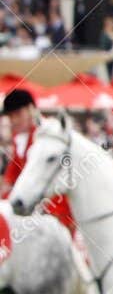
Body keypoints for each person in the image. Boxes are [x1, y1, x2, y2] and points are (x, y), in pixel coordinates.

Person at [1, 89, 72, 231]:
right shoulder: (18, 138)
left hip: (56, 209)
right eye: (10, 116)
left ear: (31, 109)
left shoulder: (48, 135)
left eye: (18, 114)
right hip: (31, 206)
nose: (13, 121)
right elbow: (10, 178)